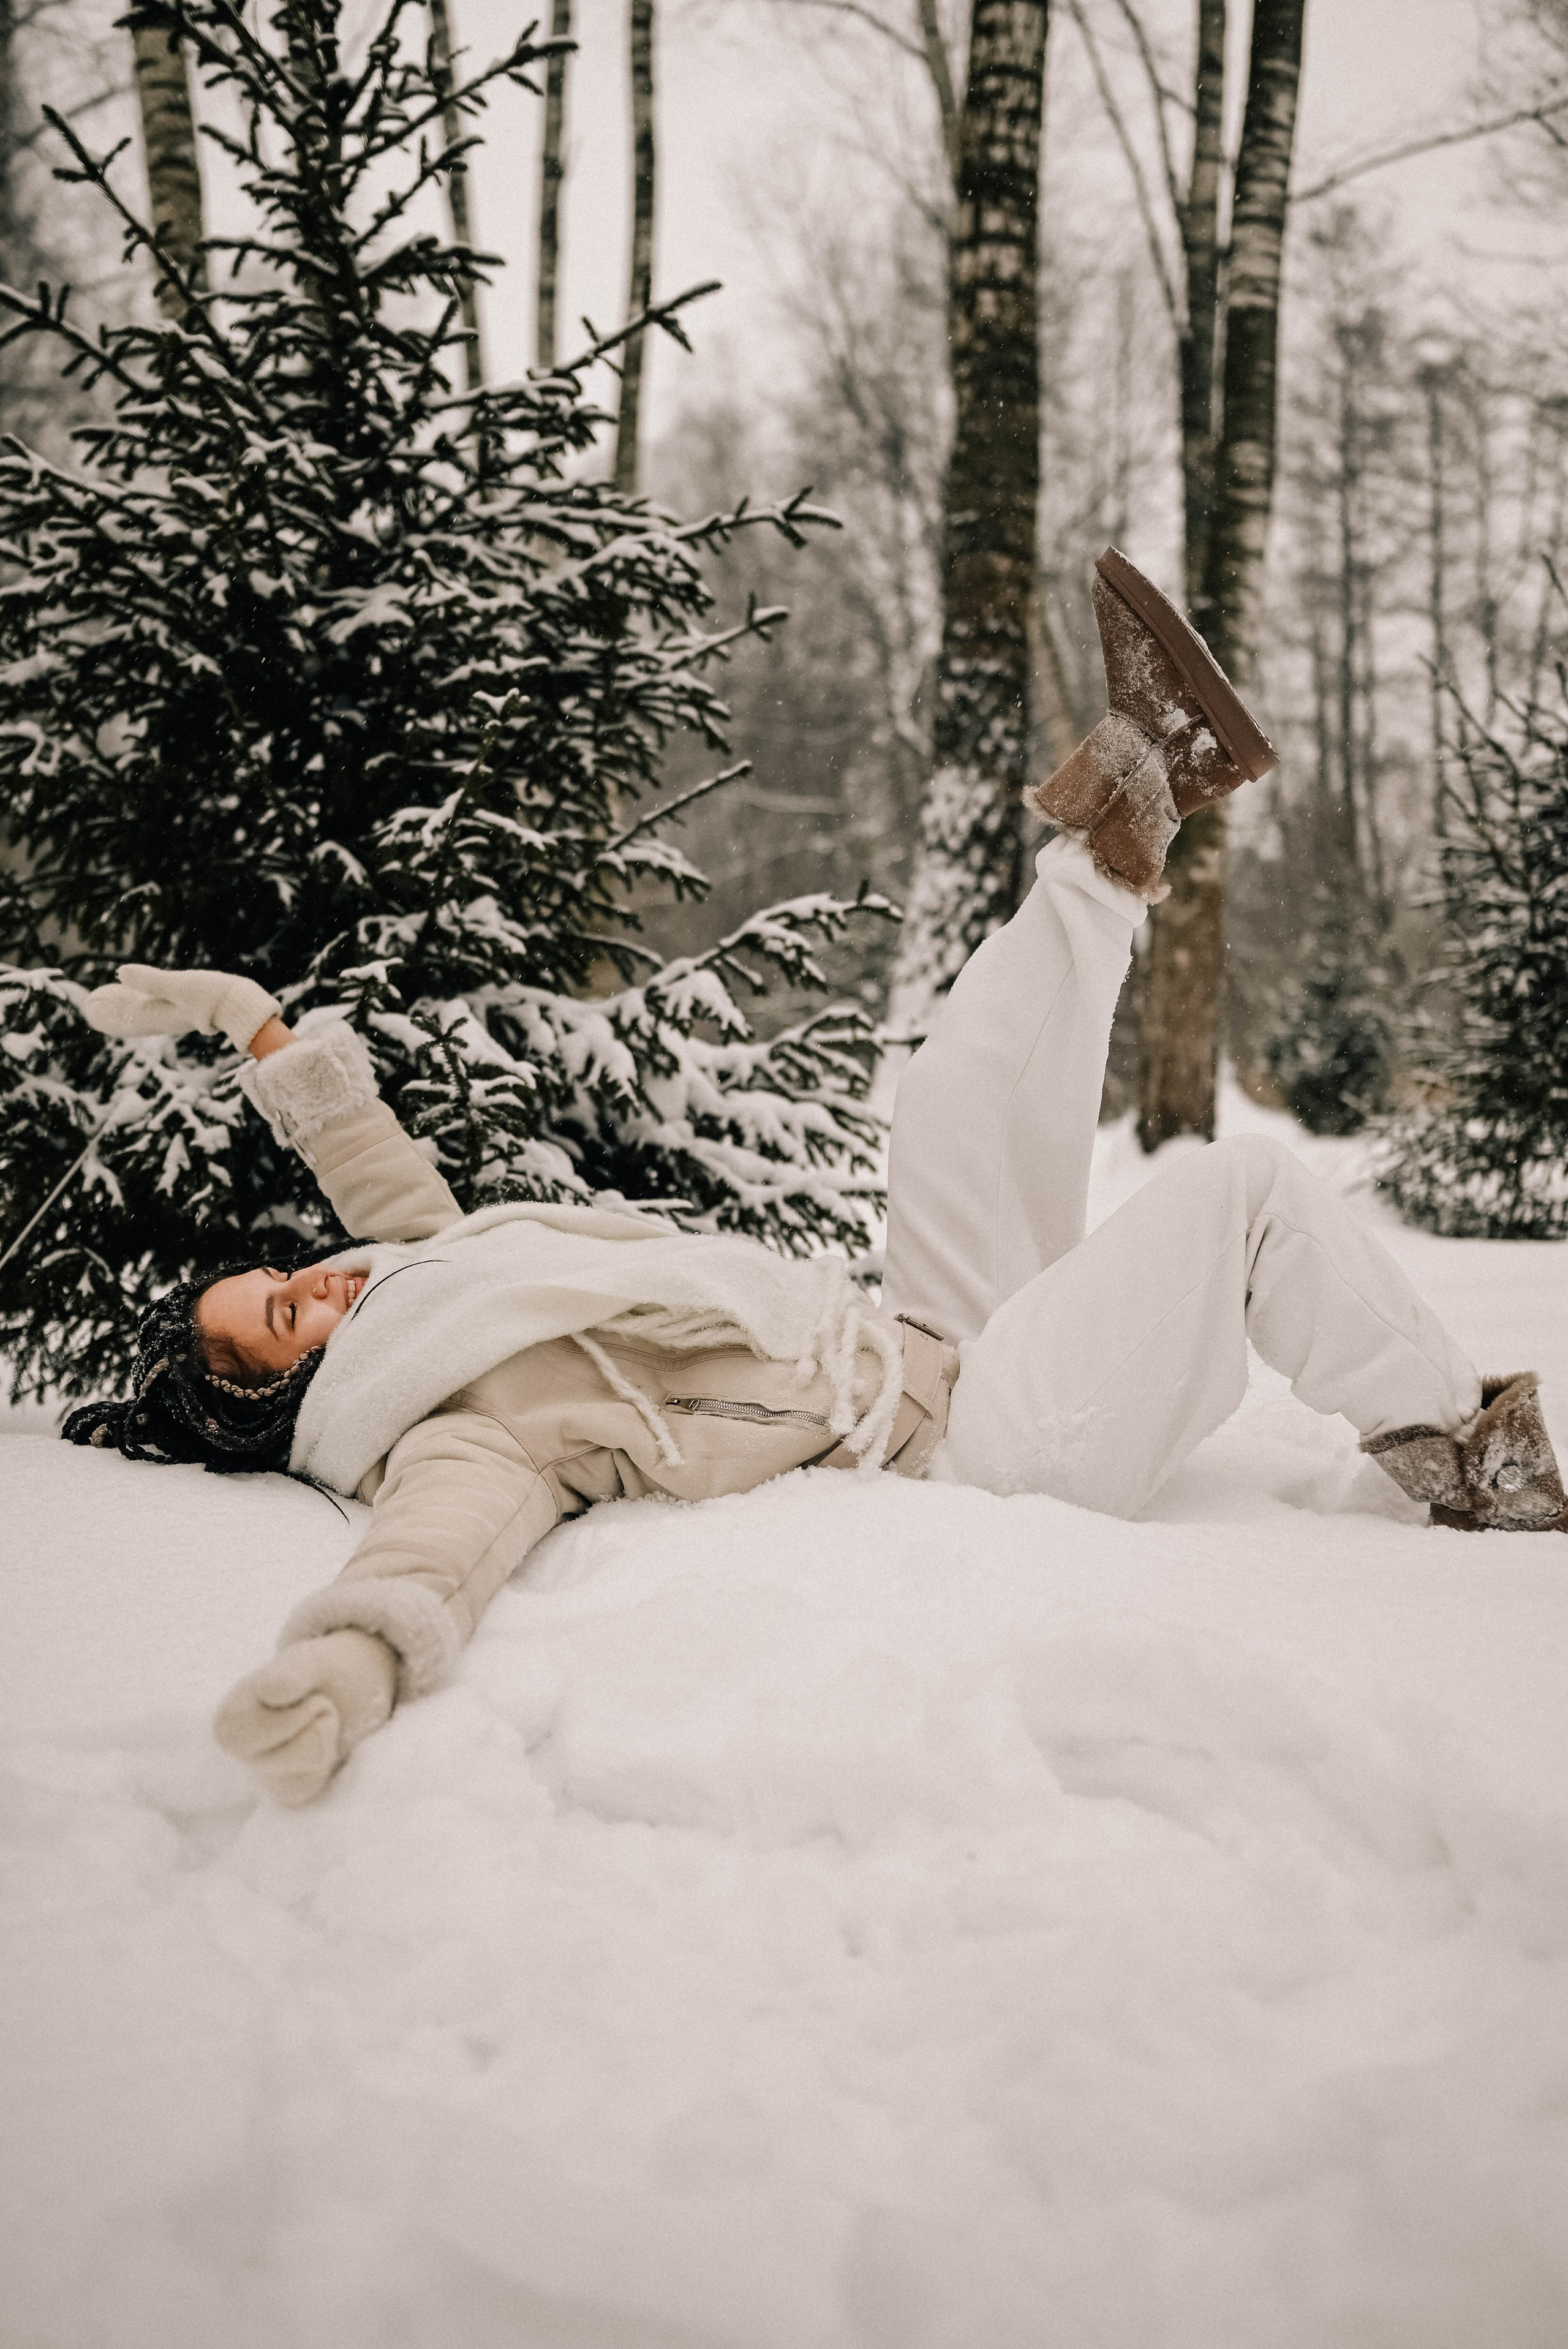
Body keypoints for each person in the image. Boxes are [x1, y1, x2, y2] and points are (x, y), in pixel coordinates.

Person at [69, 551, 1566, 1808]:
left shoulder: (431, 1280)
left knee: (953, 1093)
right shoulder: (459, 1426)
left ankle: (1144, 788)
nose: (313, 1281)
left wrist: (235, 1012)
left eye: (280, 1271)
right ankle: (1479, 1461)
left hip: (907, 1338)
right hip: (963, 1447)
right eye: (282, 1317)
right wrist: (338, 1664)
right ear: (286, 1391)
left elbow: (365, 1166)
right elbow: (426, 1562)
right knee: (1236, 1195)